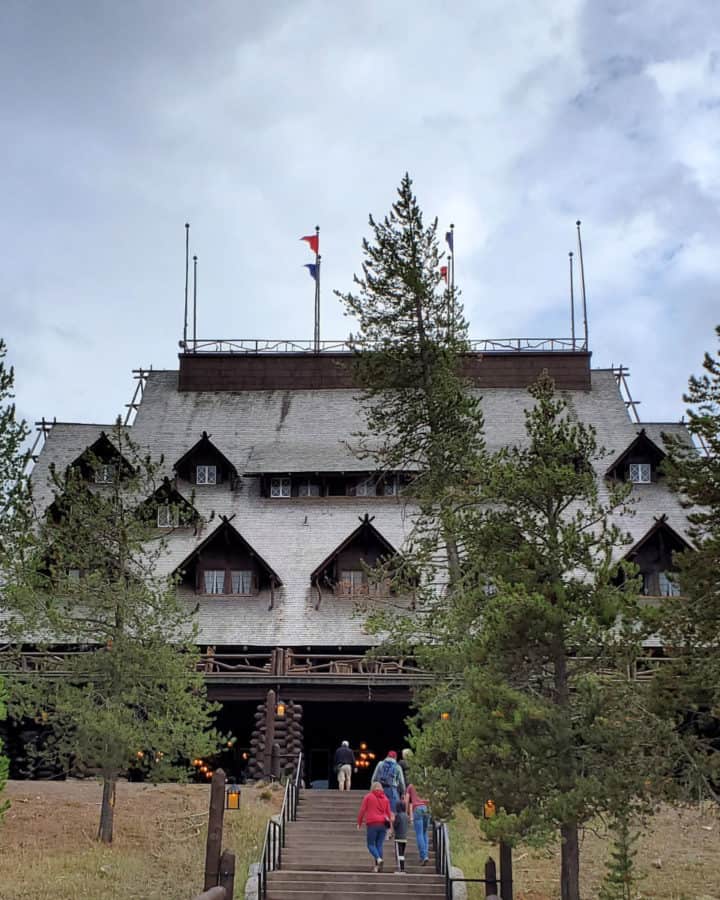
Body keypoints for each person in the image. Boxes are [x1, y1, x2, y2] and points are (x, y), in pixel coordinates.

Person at [357, 781, 392, 872]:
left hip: (372, 823)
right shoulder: (386, 799)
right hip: (383, 824)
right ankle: (378, 866)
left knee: (370, 845)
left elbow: (362, 810)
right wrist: (390, 827)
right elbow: (389, 813)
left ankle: (378, 859)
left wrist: (359, 822)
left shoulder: (368, 797)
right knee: (379, 845)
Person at [406, 782, 430, 865]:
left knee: (419, 834)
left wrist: (407, 813)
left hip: (417, 809)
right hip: (427, 809)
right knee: (425, 833)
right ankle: (425, 855)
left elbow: (406, 800)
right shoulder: (426, 784)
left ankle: (424, 856)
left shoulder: (411, 786)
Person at [392, 799, 409, 873]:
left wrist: (393, 821)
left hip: (398, 838)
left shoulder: (398, 816)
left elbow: (396, 825)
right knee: (402, 854)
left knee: (398, 854)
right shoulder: (406, 816)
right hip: (404, 838)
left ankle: (400, 869)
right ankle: (402, 868)